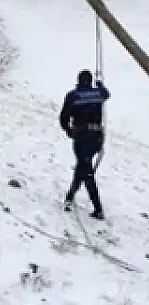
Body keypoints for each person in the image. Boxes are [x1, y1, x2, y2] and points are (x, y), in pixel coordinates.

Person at [59, 69, 110, 219]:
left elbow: (63, 118)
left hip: (81, 137)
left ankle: (98, 209)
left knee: (86, 170)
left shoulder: (73, 95)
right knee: (83, 167)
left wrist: (69, 130)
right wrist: (99, 83)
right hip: (97, 138)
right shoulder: (98, 94)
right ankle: (69, 197)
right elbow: (106, 93)